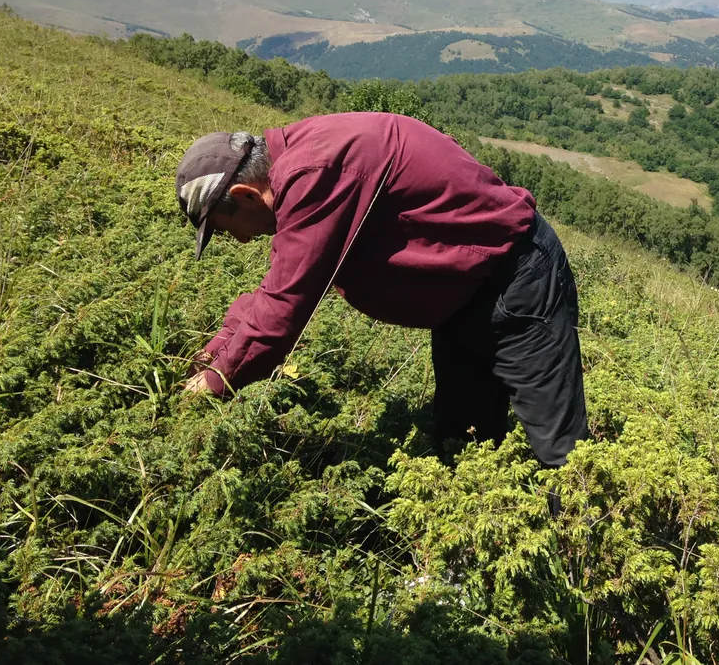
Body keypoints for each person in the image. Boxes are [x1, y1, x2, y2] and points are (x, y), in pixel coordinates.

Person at [175, 112, 589, 471]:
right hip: (464, 295)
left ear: (245, 194)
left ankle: (585, 551)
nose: (243, 241)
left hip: (518, 280)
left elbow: (284, 307)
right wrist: (215, 353)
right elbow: (276, 286)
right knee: (462, 439)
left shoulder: (314, 173)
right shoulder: (300, 162)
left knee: (559, 451)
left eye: (228, 232)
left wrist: (217, 382)